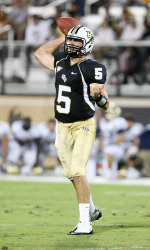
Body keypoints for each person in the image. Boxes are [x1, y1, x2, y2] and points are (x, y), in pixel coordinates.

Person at [34, 24, 109, 235]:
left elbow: (105, 104)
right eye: (71, 40)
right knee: (69, 173)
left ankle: (85, 223)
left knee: (77, 171)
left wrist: (99, 97)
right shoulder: (60, 62)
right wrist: (63, 36)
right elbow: (40, 53)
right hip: (62, 126)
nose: (71, 44)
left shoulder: (93, 67)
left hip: (83, 124)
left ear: (87, 45)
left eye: (77, 41)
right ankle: (92, 209)